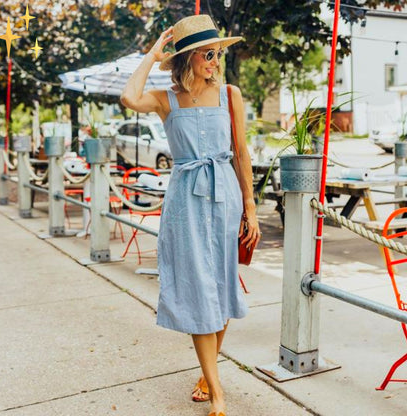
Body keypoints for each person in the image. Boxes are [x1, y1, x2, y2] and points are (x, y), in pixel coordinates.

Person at [120, 14, 261, 416]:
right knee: (200, 288)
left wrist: (250, 208)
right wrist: (151, 54)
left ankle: (207, 372)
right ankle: (218, 391)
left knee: (221, 286)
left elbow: (241, 153)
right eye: (208, 54)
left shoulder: (229, 94)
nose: (215, 61)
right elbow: (130, 97)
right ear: (188, 59)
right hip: (185, 202)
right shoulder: (166, 99)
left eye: (218, 53)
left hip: (227, 199)